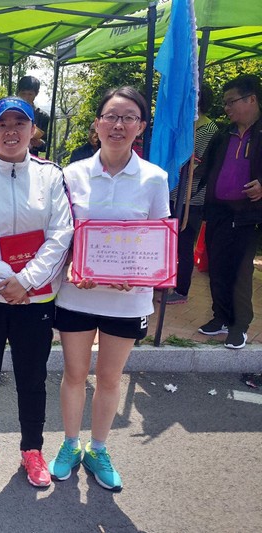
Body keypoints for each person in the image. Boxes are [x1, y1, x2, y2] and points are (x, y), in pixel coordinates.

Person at [49, 86, 169, 491]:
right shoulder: (72, 174)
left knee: (110, 378)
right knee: (74, 373)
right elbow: (61, 234)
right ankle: (70, 444)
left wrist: (140, 274)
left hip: (127, 300)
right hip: (77, 295)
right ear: (96, 124)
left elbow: (159, 242)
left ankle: (98, 448)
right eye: (111, 116)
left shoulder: (155, 178)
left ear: (141, 126)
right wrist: (72, 265)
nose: (119, 125)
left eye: (129, 117)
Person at [0, 97, 73, 488]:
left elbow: (61, 234)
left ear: (32, 129)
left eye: (19, 123)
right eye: (1, 124)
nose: (11, 131)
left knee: (32, 377)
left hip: (35, 299)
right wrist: (7, 280)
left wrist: (27, 281)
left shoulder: (51, 176)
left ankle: (32, 449)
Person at [196, 74, 262, 349]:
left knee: (240, 271)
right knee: (217, 268)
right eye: (225, 103)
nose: (226, 108)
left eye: (231, 102)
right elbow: (207, 165)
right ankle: (220, 317)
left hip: (248, 216)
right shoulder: (224, 134)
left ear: (251, 99)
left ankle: (239, 325)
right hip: (218, 212)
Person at [166, 84, 219, 304]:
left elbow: (203, 166)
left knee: (185, 245)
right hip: (173, 193)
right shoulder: (185, 126)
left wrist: (184, 167)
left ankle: (181, 290)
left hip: (192, 198)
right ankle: (165, 281)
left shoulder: (209, 129)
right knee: (169, 241)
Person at [17, 75, 51, 157]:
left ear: (36, 94)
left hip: (31, 158)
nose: (26, 97)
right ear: (18, 93)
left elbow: (46, 146)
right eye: (23, 93)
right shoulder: (9, 112)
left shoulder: (42, 116)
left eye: (30, 94)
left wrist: (39, 143)